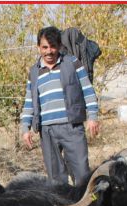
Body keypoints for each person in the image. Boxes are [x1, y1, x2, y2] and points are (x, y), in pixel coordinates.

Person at [20, 26, 100, 187]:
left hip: (72, 127)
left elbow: (88, 91)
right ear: (38, 47)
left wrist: (92, 117)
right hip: (47, 131)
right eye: (44, 47)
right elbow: (29, 102)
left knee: (83, 175)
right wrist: (25, 128)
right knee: (55, 180)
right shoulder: (34, 72)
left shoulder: (72, 63)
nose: (49, 51)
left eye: (53, 46)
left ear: (59, 46)